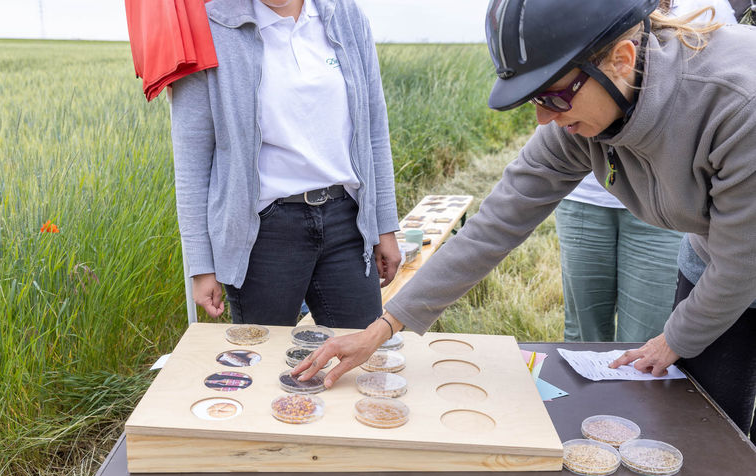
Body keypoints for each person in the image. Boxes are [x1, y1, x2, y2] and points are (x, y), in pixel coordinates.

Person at [295, 0, 756, 440]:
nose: (542, 118)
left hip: (741, 256)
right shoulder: (581, 119)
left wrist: (672, 338)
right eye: (534, 98)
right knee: (705, 414)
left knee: (727, 439)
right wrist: (383, 328)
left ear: (621, 59)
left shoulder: (739, 104)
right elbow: (495, 225)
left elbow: (742, 264)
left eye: (552, 96)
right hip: (713, 255)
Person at [170, 0, 401, 329]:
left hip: (347, 221)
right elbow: (192, 160)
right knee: (264, 356)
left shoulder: (346, 16)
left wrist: (384, 227)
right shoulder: (209, 28)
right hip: (262, 235)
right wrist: (201, 265)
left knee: (361, 348)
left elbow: (374, 130)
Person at [555, 0, 736, 343]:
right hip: (584, 199)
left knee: (644, 337)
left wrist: (677, 341)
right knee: (582, 333)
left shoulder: (710, 8)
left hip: (665, 211)